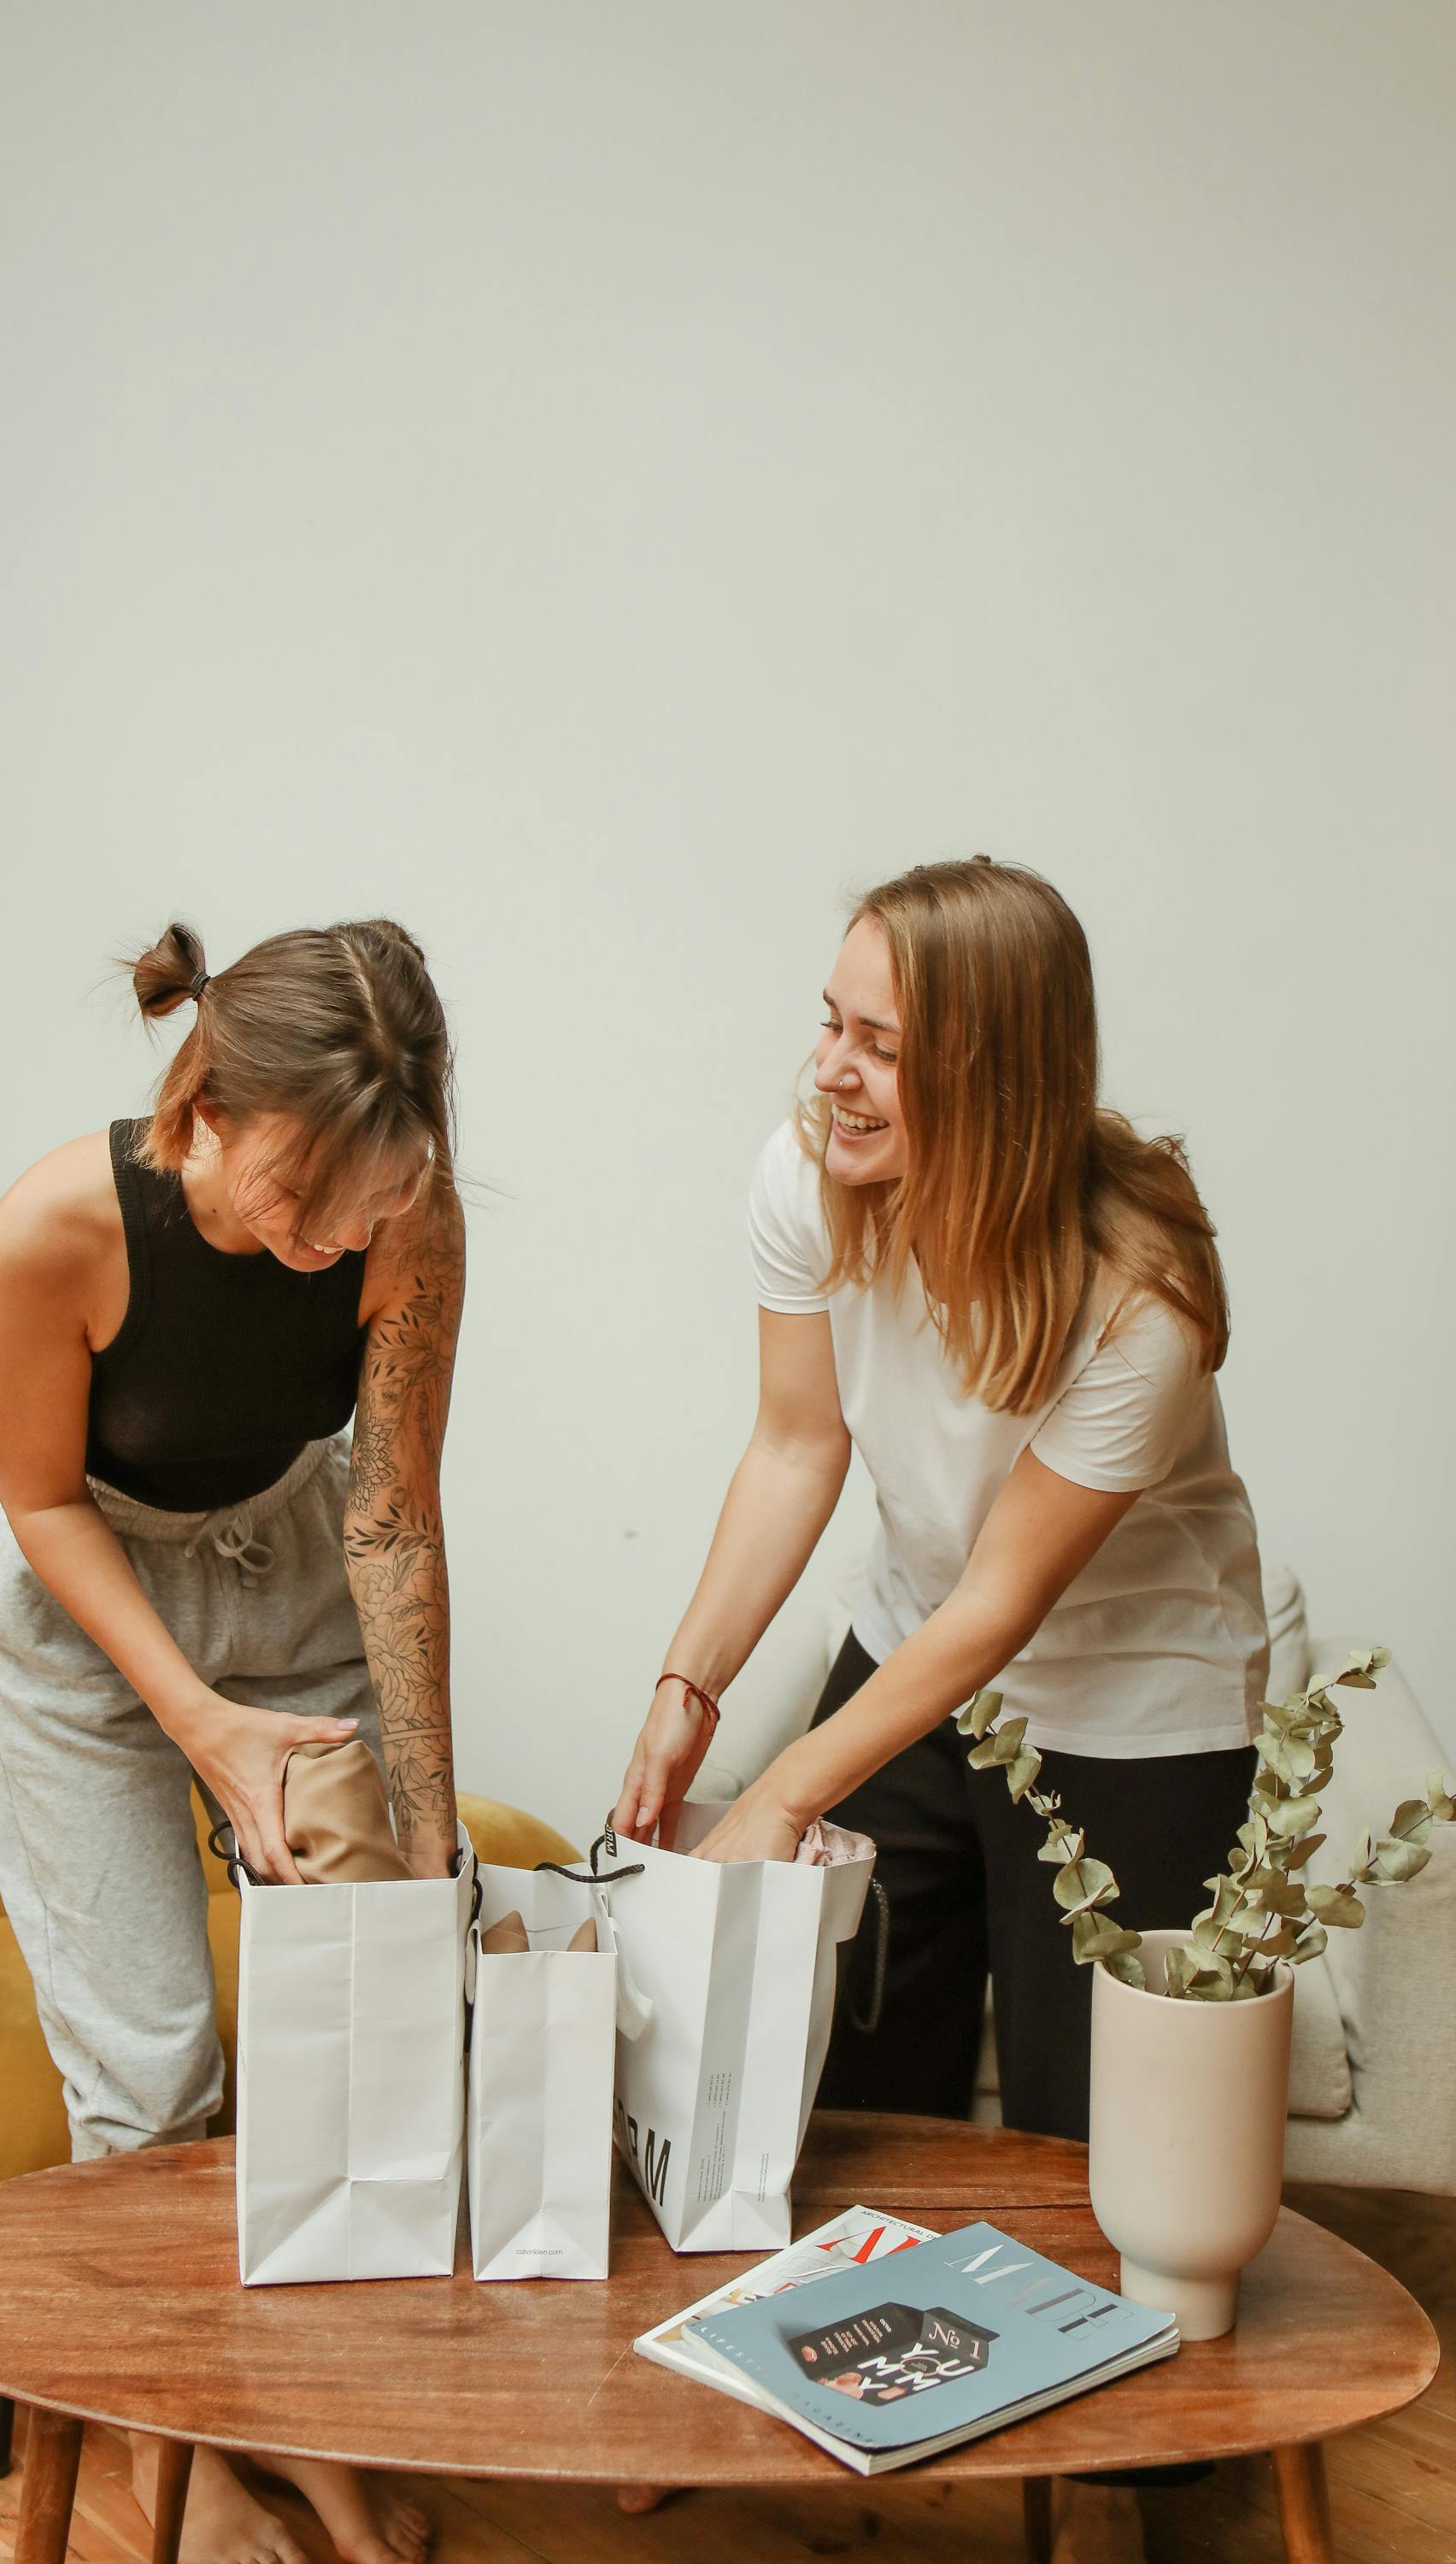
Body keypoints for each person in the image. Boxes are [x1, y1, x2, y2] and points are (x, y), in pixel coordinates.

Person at [611, 856, 1267, 2564]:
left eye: (879, 1045)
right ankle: (805, 2416)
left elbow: (1006, 1605)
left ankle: (1127, 2496)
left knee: (1088, 2144)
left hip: (1135, 1702)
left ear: (993, 1074)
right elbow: (796, 1448)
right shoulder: (808, 1175)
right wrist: (693, 1691)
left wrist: (779, 1794)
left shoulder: (1141, 1301)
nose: (829, 1071)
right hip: (914, 1636)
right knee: (830, 2062)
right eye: (828, 1023)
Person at [0, 917, 461, 2564]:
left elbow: (390, 1518)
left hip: (294, 1564)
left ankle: (303, 2418)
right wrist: (206, 1730)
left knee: (361, 2015)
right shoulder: (54, 1232)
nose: (331, 1245)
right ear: (204, 1113)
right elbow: (39, 1500)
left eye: (370, 1207)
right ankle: (171, 2456)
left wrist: (434, 1837)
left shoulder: (407, 1213)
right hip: (87, 1612)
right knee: (158, 2070)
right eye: (296, 1202)